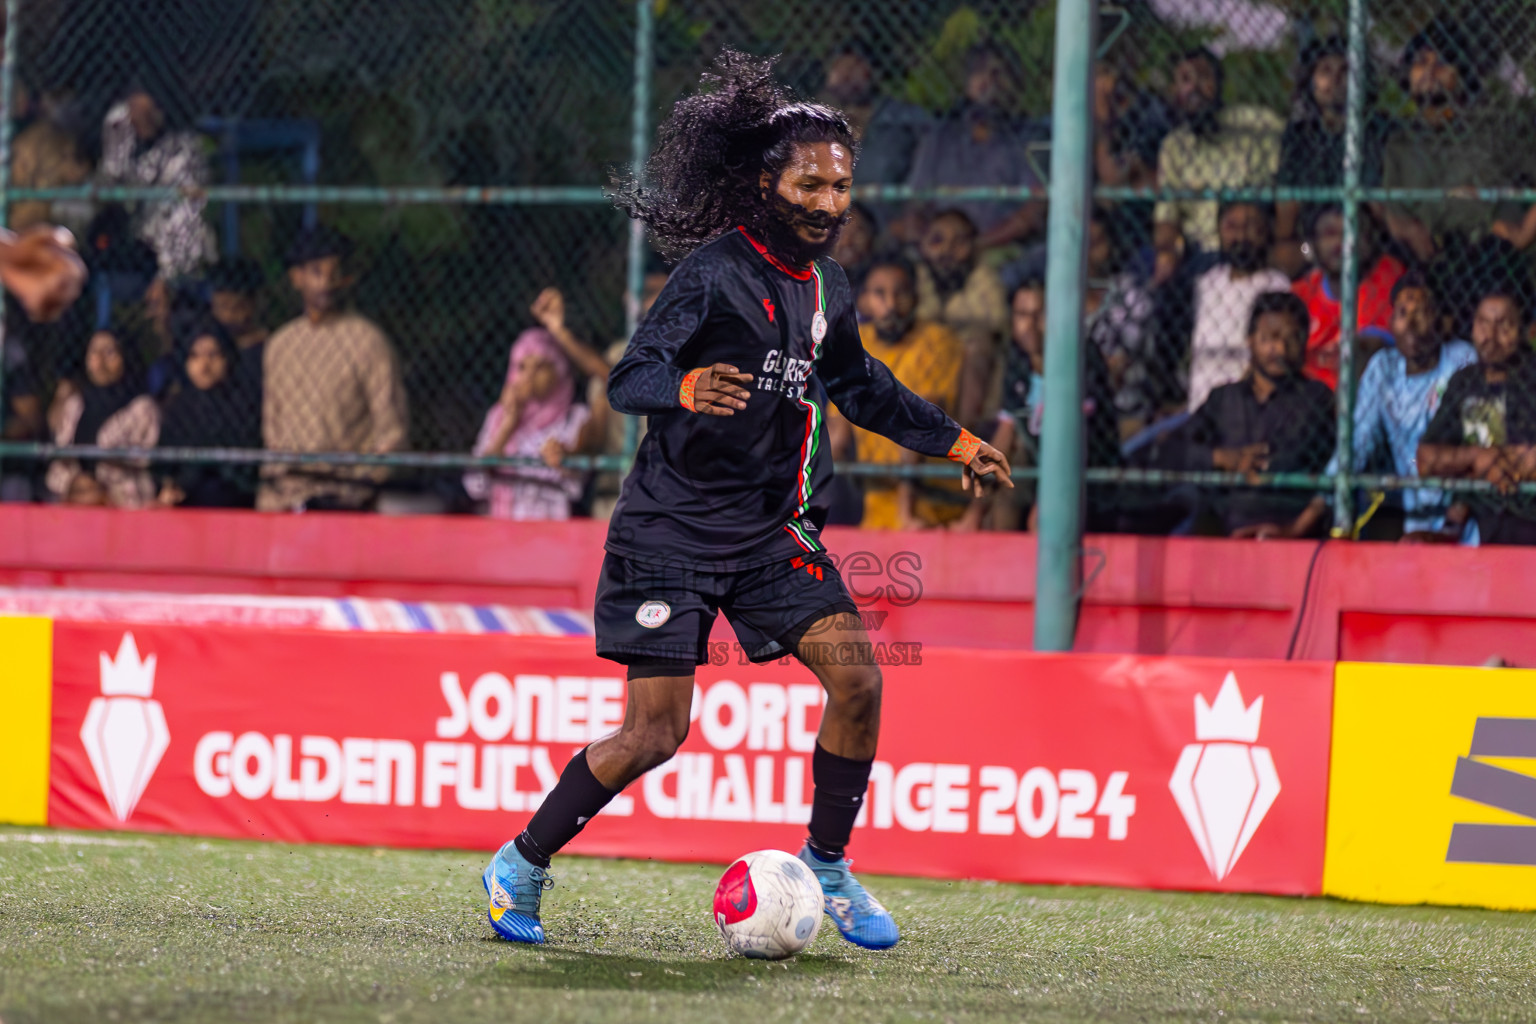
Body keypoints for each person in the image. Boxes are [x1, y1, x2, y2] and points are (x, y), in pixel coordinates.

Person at [479, 51, 1011, 949]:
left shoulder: (829, 287)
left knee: (858, 679)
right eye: (811, 183)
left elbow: (862, 387)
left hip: (771, 531)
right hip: (671, 531)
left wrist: (954, 438)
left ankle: (830, 865)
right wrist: (682, 390)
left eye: (842, 187)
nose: (830, 203)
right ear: (769, 183)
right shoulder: (712, 273)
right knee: (655, 734)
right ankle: (520, 862)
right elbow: (629, 374)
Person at [1265, 271, 1478, 540]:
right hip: (1415, 523)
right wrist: (1301, 525)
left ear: (1441, 320)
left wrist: (1451, 530)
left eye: (1421, 313)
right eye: (1402, 313)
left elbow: (1479, 448)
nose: (1410, 324)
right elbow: (1355, 446)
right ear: (1390, 321)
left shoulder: (1461, 359)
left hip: (1465, 524)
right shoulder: (1383, 368)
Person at [258, 226, 409, 512]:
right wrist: (279, 484)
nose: (326, 282)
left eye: (334, 272)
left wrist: (363, 485)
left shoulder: (367, 340)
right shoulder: (280, 345)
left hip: (348, 492)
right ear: (296, 277)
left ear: (347, 279)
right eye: (316, 272)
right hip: (289, 491)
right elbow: (272, 427)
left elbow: (390, 430)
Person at [964, 278, 1120, 532]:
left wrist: (1045, 504)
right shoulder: (1017, 361)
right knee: (1009, 471)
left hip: (1082, 467)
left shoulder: (1081, 358)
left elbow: (1075, 438)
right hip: (1033, 465)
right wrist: (975, 511)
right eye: (1022, 315)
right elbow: (1007, 431)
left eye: (1041, 315)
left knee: (1025, 465)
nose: (1031, 326)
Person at [1184, 291, 1335, 537]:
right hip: (1222, 525)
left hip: (1290, 526)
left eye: (1292, 339)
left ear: (1305, 342)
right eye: (1270, 338)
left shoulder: (1317, 398)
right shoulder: (1224, 398)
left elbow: (1333, 466)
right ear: (1250, 340)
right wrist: (1221, 458)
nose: (1281, 349)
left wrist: (1293, 528)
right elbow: (1179, 448)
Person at [836, 252, 965, 530]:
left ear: (916, 298)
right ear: (863, 301)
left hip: (931, 505)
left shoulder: (938, 341)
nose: (891, 305)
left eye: (901, 293)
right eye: (880, 294)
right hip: (876, 508)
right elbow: (836, 434)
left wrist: (906, 511)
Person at [1152, 48, 1283, 285]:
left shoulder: (1256, 125)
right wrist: (1167, 253)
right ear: (1174, 91)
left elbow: (1285, 185)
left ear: (1219, 83)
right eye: (1185, 80)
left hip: (1253, 243)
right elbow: (1166, 217)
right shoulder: (1174, 146)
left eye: (1203, 77)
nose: (1194, 88)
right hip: (1201, 252)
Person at [1419, 287, 1536, 545]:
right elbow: (1426, 460)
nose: (1490, 336)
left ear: (1526, 331)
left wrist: (1503, 464)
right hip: (1481, 523)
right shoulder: (1465, 381)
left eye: (1504, 325)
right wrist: (1480, 458)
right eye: (1483, 323)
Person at [904, 41, 1045, 249]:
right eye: (979, 72)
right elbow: (915, 204)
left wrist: (975, 246)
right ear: (967, 83)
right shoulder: (940, 138)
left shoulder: (1027, 139)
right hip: (940, 249)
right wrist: (928, 243)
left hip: (997, 249)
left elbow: (1034, 209)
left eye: (999, 73)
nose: (989, 82)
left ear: (1016, 85)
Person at [1273, 37, 1392, 276]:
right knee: (1283, 257)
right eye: (1325, 71)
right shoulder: (1299, 136)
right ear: (1311, 81)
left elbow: (1379, 208)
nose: (1336, 79)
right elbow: (1286, 219)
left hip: (1366, 241)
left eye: (1346, 70)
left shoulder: (1377, 129)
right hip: (1312, 246)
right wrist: (1314, 249)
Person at [464, 328, 603, 520]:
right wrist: (507, 427)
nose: (529, 375)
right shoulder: (498, 417)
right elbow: (475, 485)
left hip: (551, 530)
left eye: (540, 367)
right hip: (502, 530)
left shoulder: (574, 417)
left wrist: (564, 456)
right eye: (522, 367)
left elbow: (576, 484)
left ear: (559, 371)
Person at [97, 82, 214, 280]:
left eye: (148, 110)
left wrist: (166, 274)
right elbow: (110, 179)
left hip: (174, 246)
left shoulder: (184, 150)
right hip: (135, 239)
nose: (138, 117)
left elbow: (183, 217)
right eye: (133, 109)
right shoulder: (125, 134)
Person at [1187, 201, 1291, 411]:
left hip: (1244, 411)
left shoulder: (1275, 285)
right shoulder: (1207, 283)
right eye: (1232, 227)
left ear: (1266, 230)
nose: (1241, 237)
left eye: (1251, 227)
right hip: (1199, 408)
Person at [45, 326, 160, 508]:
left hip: (124, 502)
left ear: (126, 357)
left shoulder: (142, 408)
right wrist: (78, 485)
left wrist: (100, 490)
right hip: (75, 499)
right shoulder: (75, 403)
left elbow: (141, 459)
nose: (100, 360)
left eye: (109, 352)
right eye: (94, 352)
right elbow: (60, 453)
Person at [1291, 205, 1403, 390]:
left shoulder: (1385, 276)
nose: (1341, 242)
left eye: (1351, 231)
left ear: (1368, 240)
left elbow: (1367, 354)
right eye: (1330, 233)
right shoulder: (1302, 291)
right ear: (1314, 243)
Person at [913, 208, 1008, 425]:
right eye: (937, 240)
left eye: (959, 242)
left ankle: (962, 439)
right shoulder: (915, 275)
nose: (947, 250)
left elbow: (996, 322)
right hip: (922, 365)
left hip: (969, 371)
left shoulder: (984, 278)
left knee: (977, 345)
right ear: (922, 245)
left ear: (974, 247)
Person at [155, 316, 262, 509]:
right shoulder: (179, 408)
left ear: (227, 358)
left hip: (235, 504)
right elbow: (162, 465)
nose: (203, 366)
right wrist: (170, 486)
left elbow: (244, 472)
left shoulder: (244, 405)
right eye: (195, 356)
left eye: (212, 355)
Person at [206, 258, 270, 386]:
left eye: (228, 307)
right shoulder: (213, 349)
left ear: (249, 306)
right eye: (217, 307)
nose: (224, 316)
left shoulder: (269, 351)